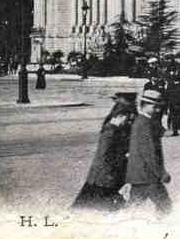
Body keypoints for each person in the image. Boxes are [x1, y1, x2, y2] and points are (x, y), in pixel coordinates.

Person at [71, 92, 137, 211]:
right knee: (89, 205)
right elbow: (106, 150)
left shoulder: (122, 120)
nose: (117, 100)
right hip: (104, 173)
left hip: (107, 173)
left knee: (89, 205)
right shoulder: (116, 123)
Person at [126, 89, 172, 217]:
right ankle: (161, 229)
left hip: (138, 174)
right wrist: (161, 173)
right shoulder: (145, 124)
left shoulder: (142, 121)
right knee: (165, 205)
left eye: (159, 107)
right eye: (154, 106)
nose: (158, 110)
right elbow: (149, 153)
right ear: (144, 105)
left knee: (133, 206)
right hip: (148, 175)